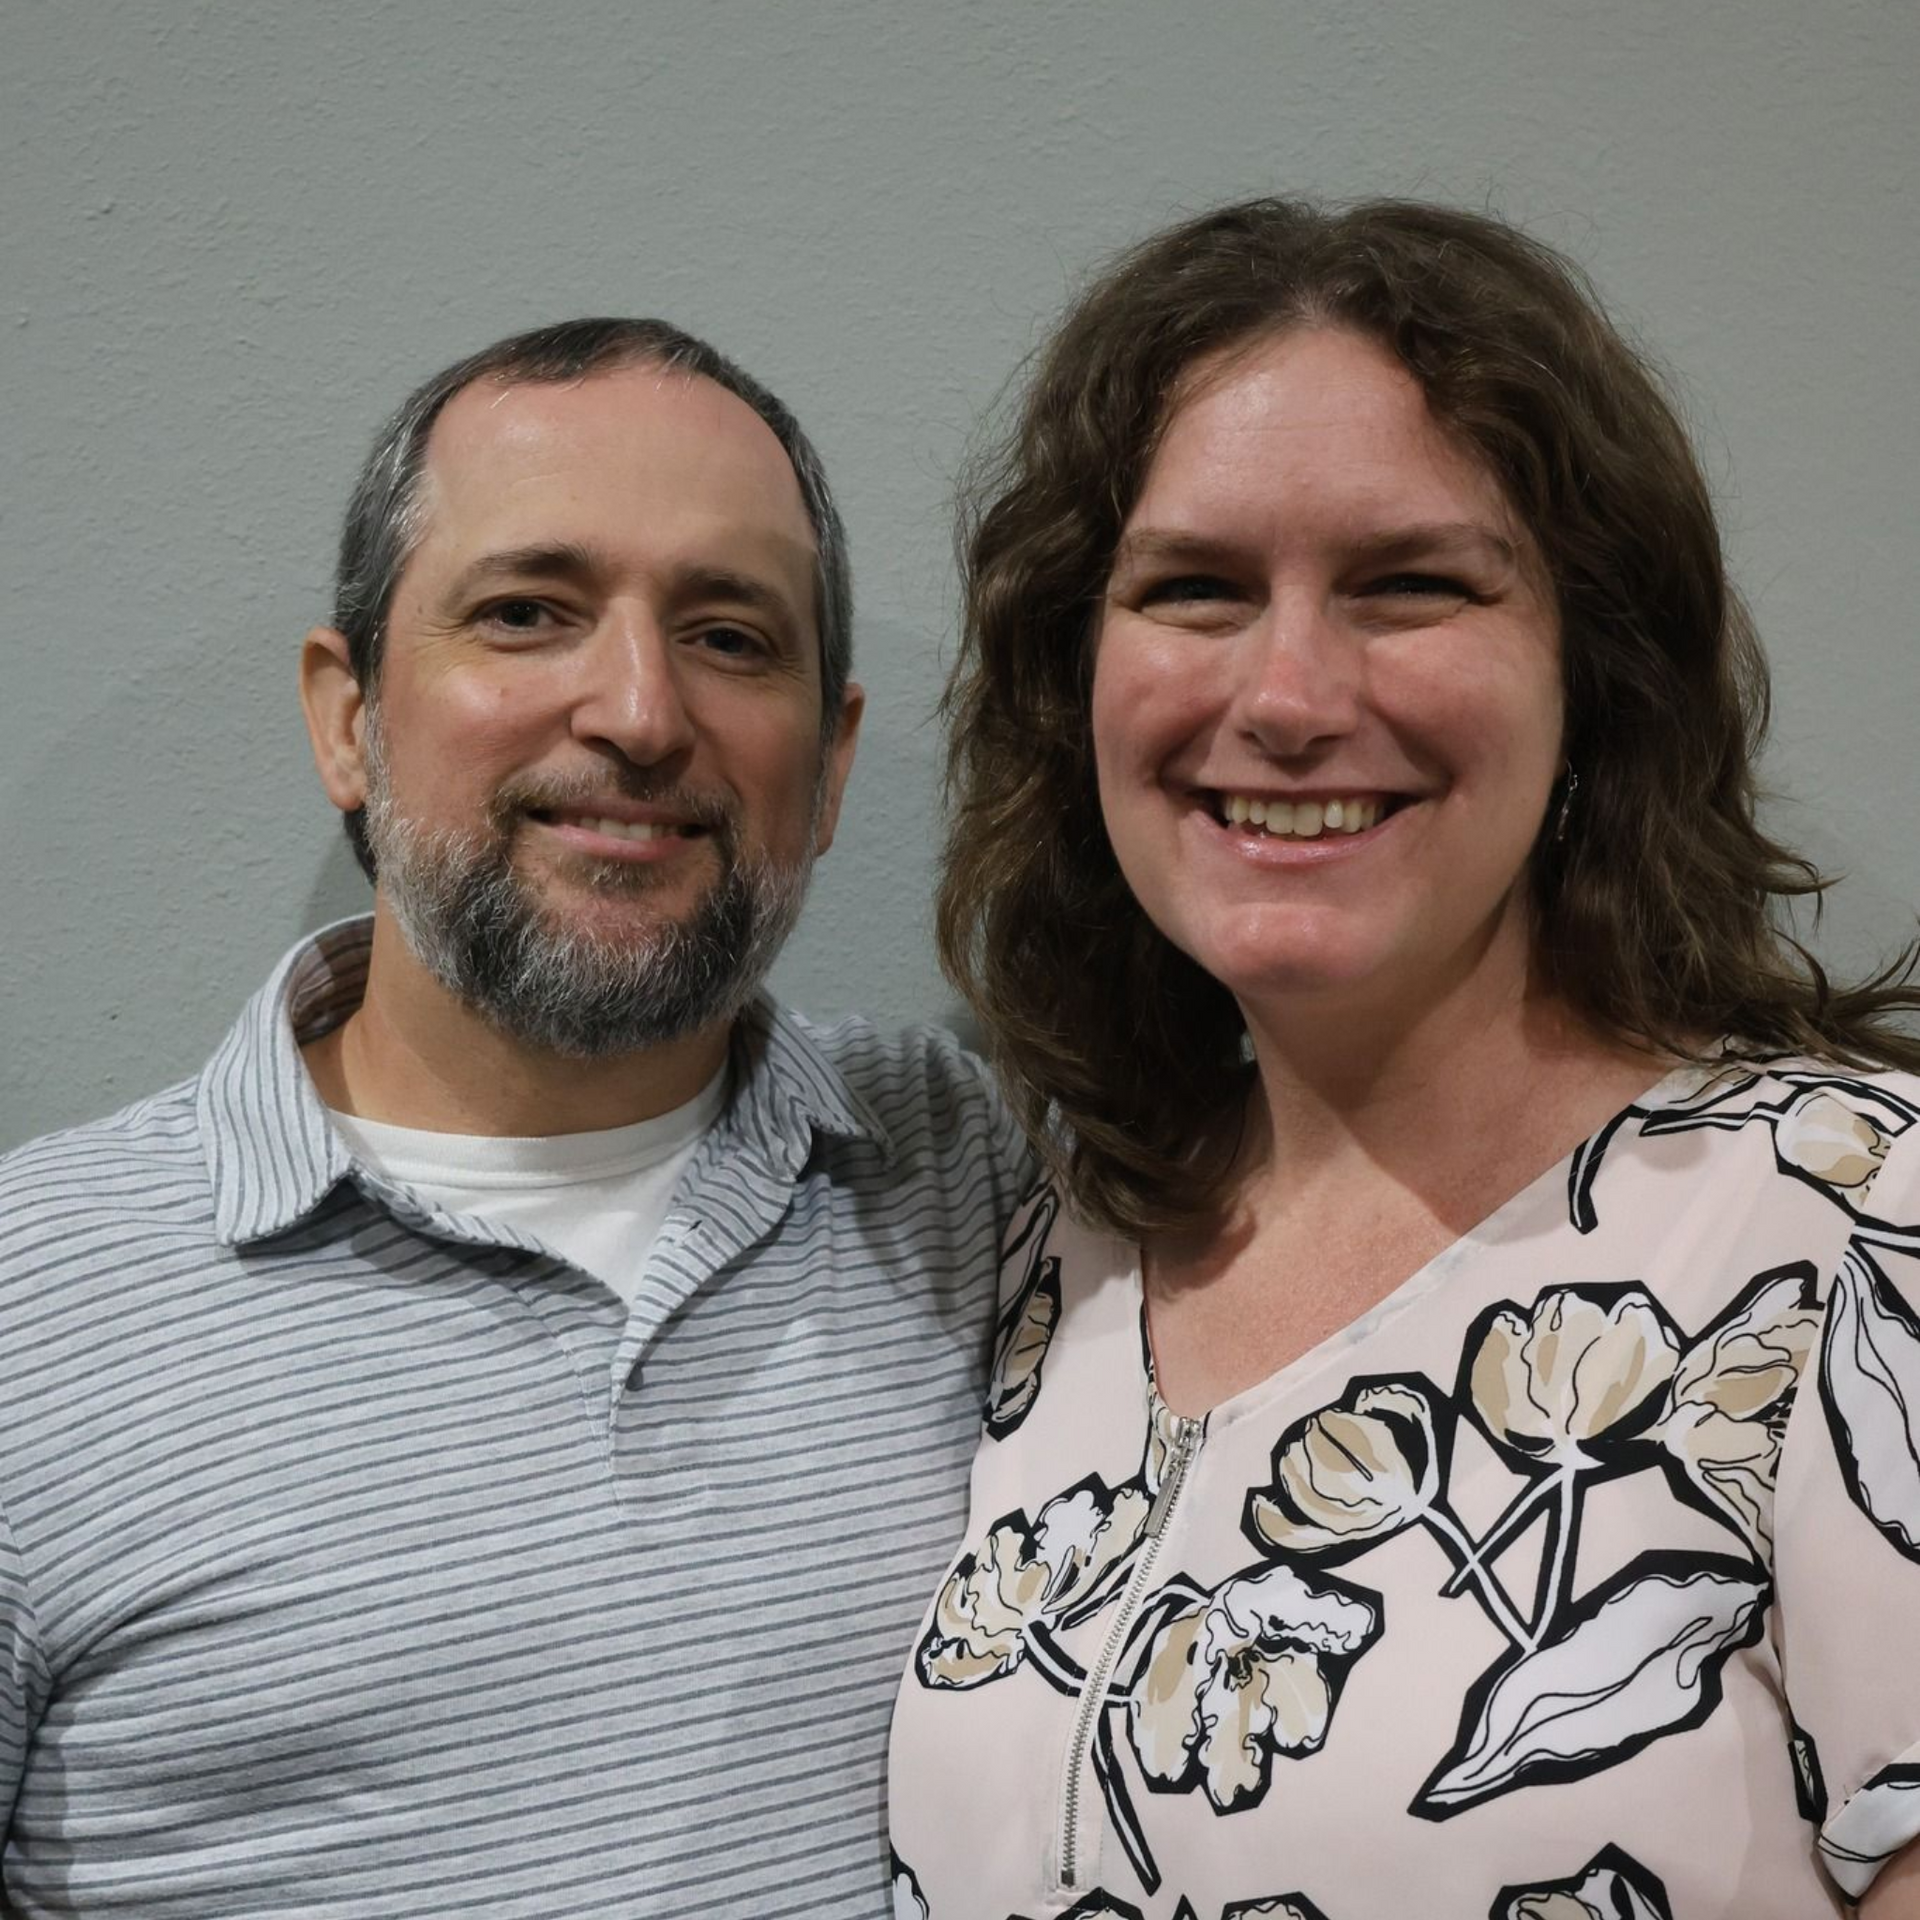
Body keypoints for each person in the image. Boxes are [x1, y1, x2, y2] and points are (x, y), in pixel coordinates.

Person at [887, 200, 1920, 1919]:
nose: (1288, 694)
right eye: (1195, 589)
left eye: (1411, 586)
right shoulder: (1055, 1250)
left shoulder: (1854, 1227)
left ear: (1594, 671)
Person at [0, 317, 1031, 1916]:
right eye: (528, 612)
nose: (636, 711)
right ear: (348, 716)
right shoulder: (30, 1309)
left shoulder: (975, 1179)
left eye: (733, 637)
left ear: (828, 765)